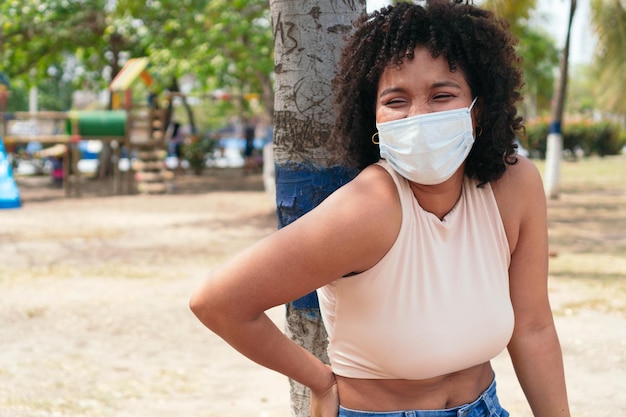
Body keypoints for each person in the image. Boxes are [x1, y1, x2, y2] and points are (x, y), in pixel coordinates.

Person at [190, 2, 571, 417]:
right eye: (396, 100)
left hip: (486, 407)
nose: (418, 116)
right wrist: (319, 381)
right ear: (372, 118)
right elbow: (218, 301)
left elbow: (533, 327)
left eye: (442, 95)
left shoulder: (514, 187)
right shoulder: (368, 209)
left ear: (477, 109)